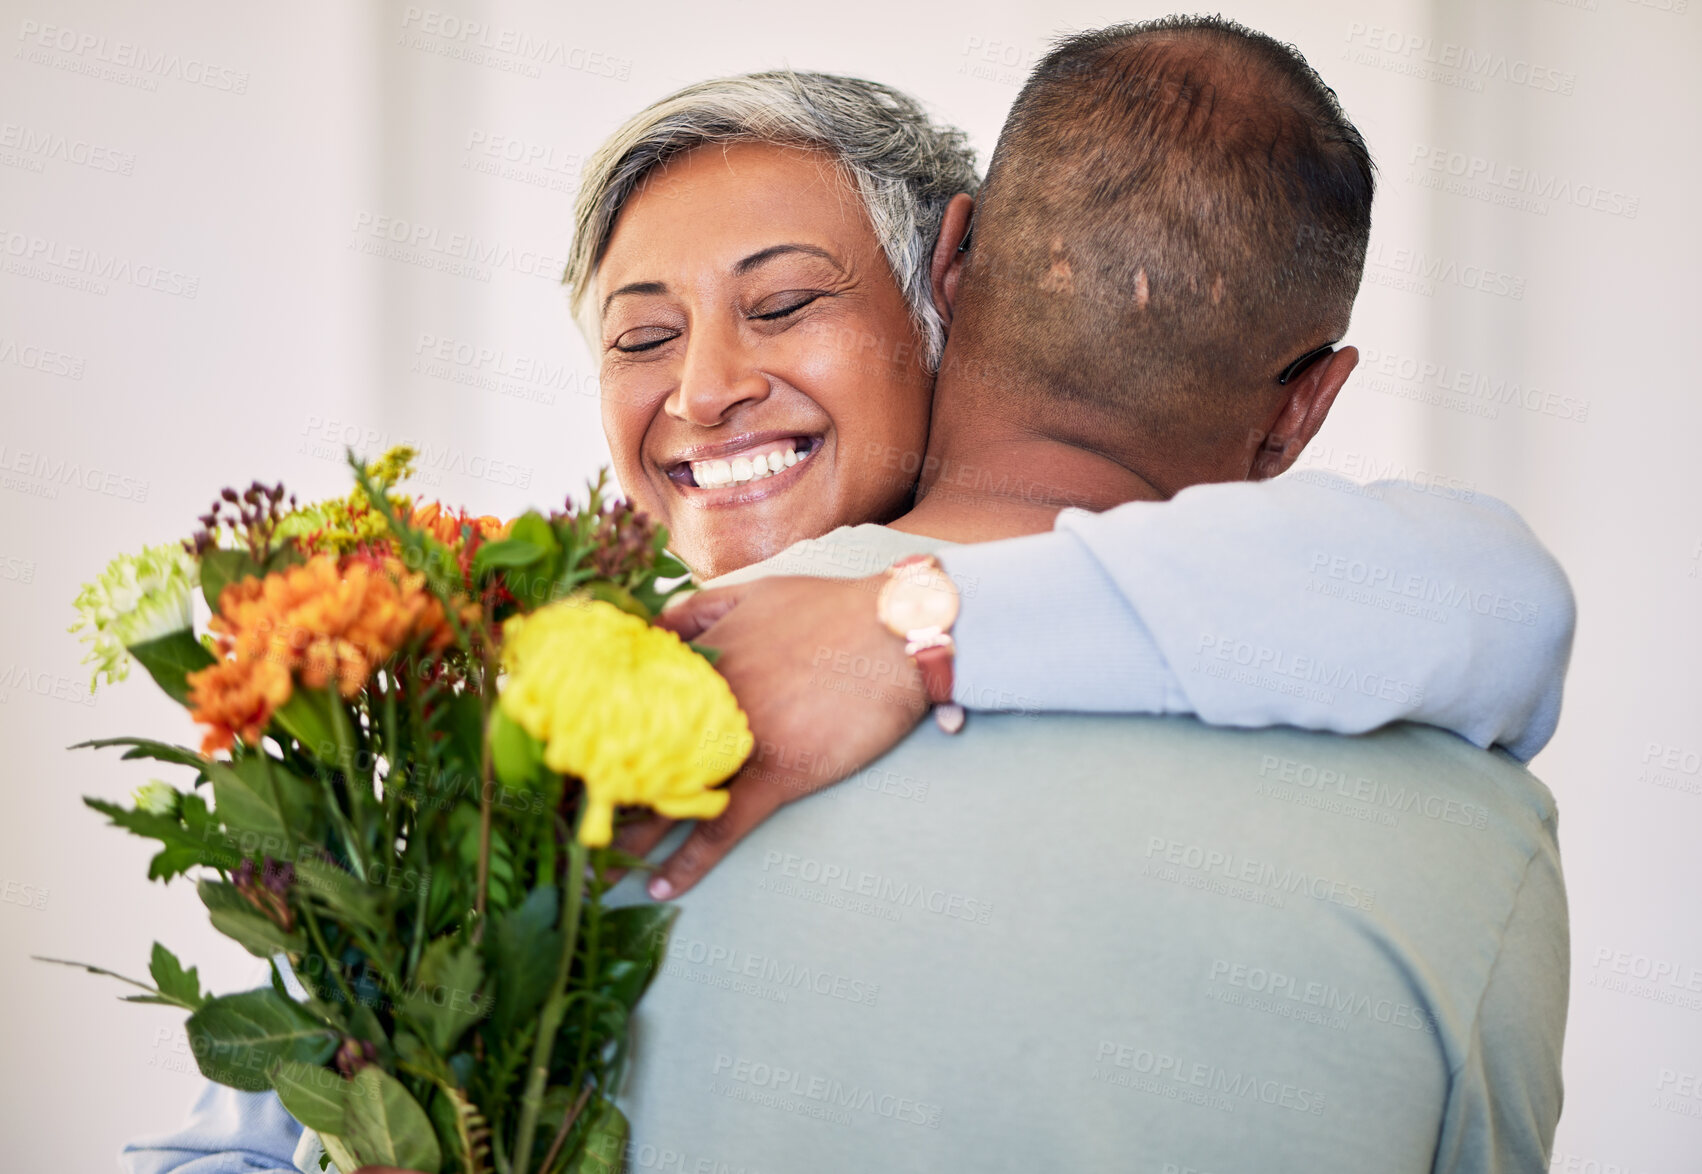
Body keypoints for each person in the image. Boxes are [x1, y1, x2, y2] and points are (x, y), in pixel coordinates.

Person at [120, 20, 1569, 1174]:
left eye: (785, 301)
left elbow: (1488, 592)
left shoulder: (1313, 616)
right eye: (640, 334)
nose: (703, 389)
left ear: (949, 290)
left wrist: (911, 627)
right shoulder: (499, 741)